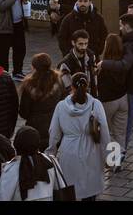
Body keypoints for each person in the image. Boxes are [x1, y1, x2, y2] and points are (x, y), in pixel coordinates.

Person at [47, 71, 110, 201]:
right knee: (89, 190)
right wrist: (109, 158)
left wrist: (50, 153)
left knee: (69, 190)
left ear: (72, 86)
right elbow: (105, 133)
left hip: (68, 151)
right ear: (87, 86)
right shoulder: (96, 104)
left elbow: (54, 133)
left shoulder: (61, 106)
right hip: (92, 151)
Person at [17, 52, 65, 143]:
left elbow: (24, 112)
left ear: (34, 67)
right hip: (55, 125)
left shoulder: (28, 86)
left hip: (34, 128)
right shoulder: (59, 82)